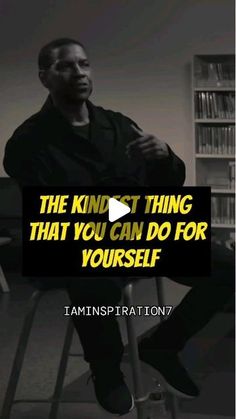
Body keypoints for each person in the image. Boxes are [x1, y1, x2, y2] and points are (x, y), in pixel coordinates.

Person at [3, 38, 234, 416]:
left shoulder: (118, 124)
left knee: (225, 267)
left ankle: (163, 345)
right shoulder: (28, 142)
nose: (78, 72)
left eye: (84, 64)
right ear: (45, 77)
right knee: (92, 274)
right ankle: (106, 369)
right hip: (71, 245)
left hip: (132, 235)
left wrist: (164, 158)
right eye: (65, 66)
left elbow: (165, 187)